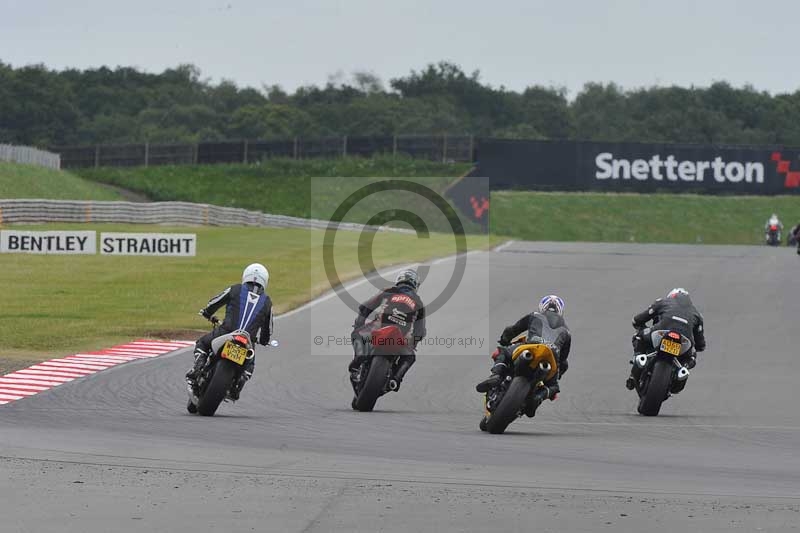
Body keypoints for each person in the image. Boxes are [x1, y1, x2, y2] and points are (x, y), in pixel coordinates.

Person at [186, 263, 274, 400]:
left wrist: (207, 312)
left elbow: (215, 302)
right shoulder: (267, 302)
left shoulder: (235, 289)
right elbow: (268, 329)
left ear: (246, 276)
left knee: (202, 343)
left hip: (226, 332)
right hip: (248, 340)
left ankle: (197, 369)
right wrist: (264, 341)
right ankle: (238, 385)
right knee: (249, 367)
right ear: (265, 281)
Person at [476, 295, 571, 417]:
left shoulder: (535, 315)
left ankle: (496, 375)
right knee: (554, 386)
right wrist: (557, 376)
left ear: (543, 307)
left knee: (504, 351)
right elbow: (563, 360)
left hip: (533, 346)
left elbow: (513, 330)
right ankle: (537, 398)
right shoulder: (567, 331)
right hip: (552, 356)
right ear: (561, 310)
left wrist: (504, 340)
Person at [348, 269, 426, 393]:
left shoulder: (389, 291)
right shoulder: (419, 303)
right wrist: (413, 344)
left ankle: (357, 362)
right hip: (399, 338)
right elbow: (420, 332)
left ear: (399, 280)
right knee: (410, 357)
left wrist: (358, 325)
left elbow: (364, 307)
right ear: (415, 285)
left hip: (378, 329)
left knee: (357, 334)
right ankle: (396, 379)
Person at [625, 288, 706, 391]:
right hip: (684, 341)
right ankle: (682, 371)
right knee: (692, 357)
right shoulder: (697, 314)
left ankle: (638, 363)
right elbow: (700, 344)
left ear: (671, 296)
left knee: (639, 335)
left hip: (661, 332)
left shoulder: (663, 302)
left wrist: (639, 325)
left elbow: (638, 319)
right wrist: (697, 349)